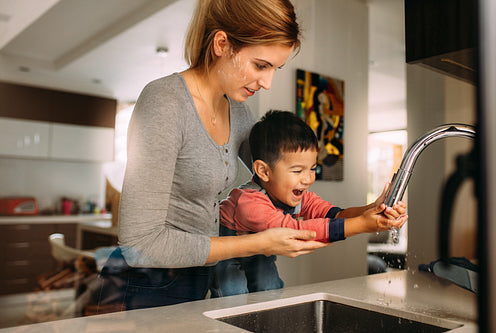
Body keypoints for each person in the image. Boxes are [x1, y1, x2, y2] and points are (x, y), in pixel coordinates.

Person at [96, 0, 331, 312]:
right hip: (143, 285)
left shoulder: (239, 113)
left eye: (275, 68)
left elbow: (283, 181)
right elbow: (138, 245)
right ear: (222, 44)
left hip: (197, 276)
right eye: (261, 65)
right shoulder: (165, 103)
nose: (267, 82)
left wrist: (362, 215)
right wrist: (257, 243)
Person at [213, 110, 407, 297]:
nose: (307, 179)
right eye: (297, 171)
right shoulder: (248, 201)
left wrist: (373, 208)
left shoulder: (299, 196)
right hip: (227, 253)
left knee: (270, 289)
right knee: (233, 295)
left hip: (261, 249)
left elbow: (335, 215)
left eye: (312, 168)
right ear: (264, 171)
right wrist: (363, 224)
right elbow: (293, 231)